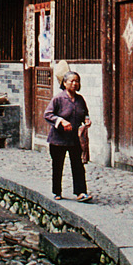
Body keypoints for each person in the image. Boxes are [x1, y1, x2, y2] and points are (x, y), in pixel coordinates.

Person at [44, 70, 92, 201]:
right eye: (72, 81)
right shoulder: (58, 98)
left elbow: (85, 113)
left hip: (74, 139)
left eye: (77, 81)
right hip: (58, 139)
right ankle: (57, 192)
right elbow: (47, 114)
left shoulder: (80, 99)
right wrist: (61, 121)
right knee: (58, 165)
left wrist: (87, 120)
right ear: (64, 83)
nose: (75, 84)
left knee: (78, 165)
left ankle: (81, 192)